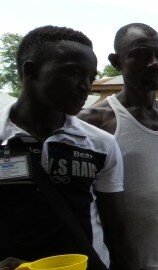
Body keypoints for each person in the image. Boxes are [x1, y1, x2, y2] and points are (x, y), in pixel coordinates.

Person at [0, 25, 135, 269]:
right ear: (30, 71)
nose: (86, 86)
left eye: (91, 77)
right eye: (73, 72)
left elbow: (117, 230)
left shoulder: (100, 144)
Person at [78, 23, 158, 270]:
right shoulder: (94, 122)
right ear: (116, 61)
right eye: (141, 54)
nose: (154, 63)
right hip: (120, 262)